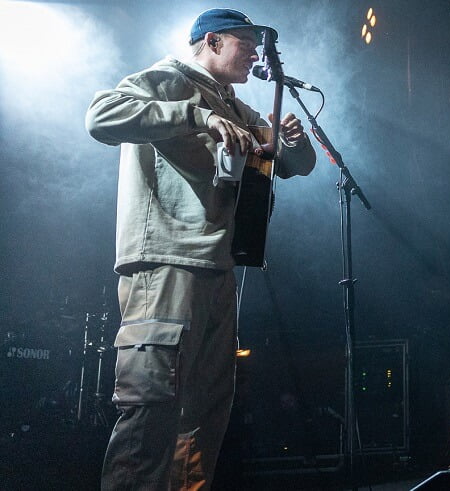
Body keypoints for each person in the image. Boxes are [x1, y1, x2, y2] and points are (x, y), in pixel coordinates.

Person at [86, 8, 315, 489]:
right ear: (211, 41)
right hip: (166, 264)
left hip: (217, 266)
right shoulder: (167, 78)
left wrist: (293, 143)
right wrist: (196, 115)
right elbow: (100, 116)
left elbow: (297, 165)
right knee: (152, 413)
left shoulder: (233, 104)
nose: (254, 53)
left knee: (204, 417)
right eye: (245, 43)